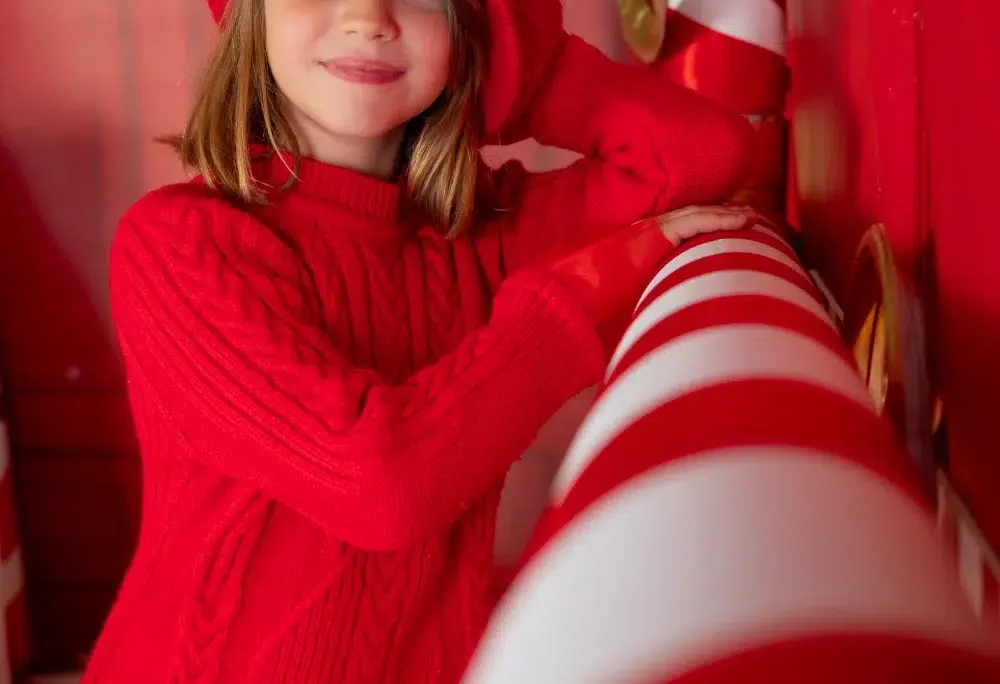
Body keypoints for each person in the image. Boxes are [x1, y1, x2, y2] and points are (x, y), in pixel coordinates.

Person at [82, 0, 758, 681]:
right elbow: (380, 487)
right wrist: (570, 303)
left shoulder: (479, 237)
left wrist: (520, 65)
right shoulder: (180, 245)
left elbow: (702, 152)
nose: (369, 17)